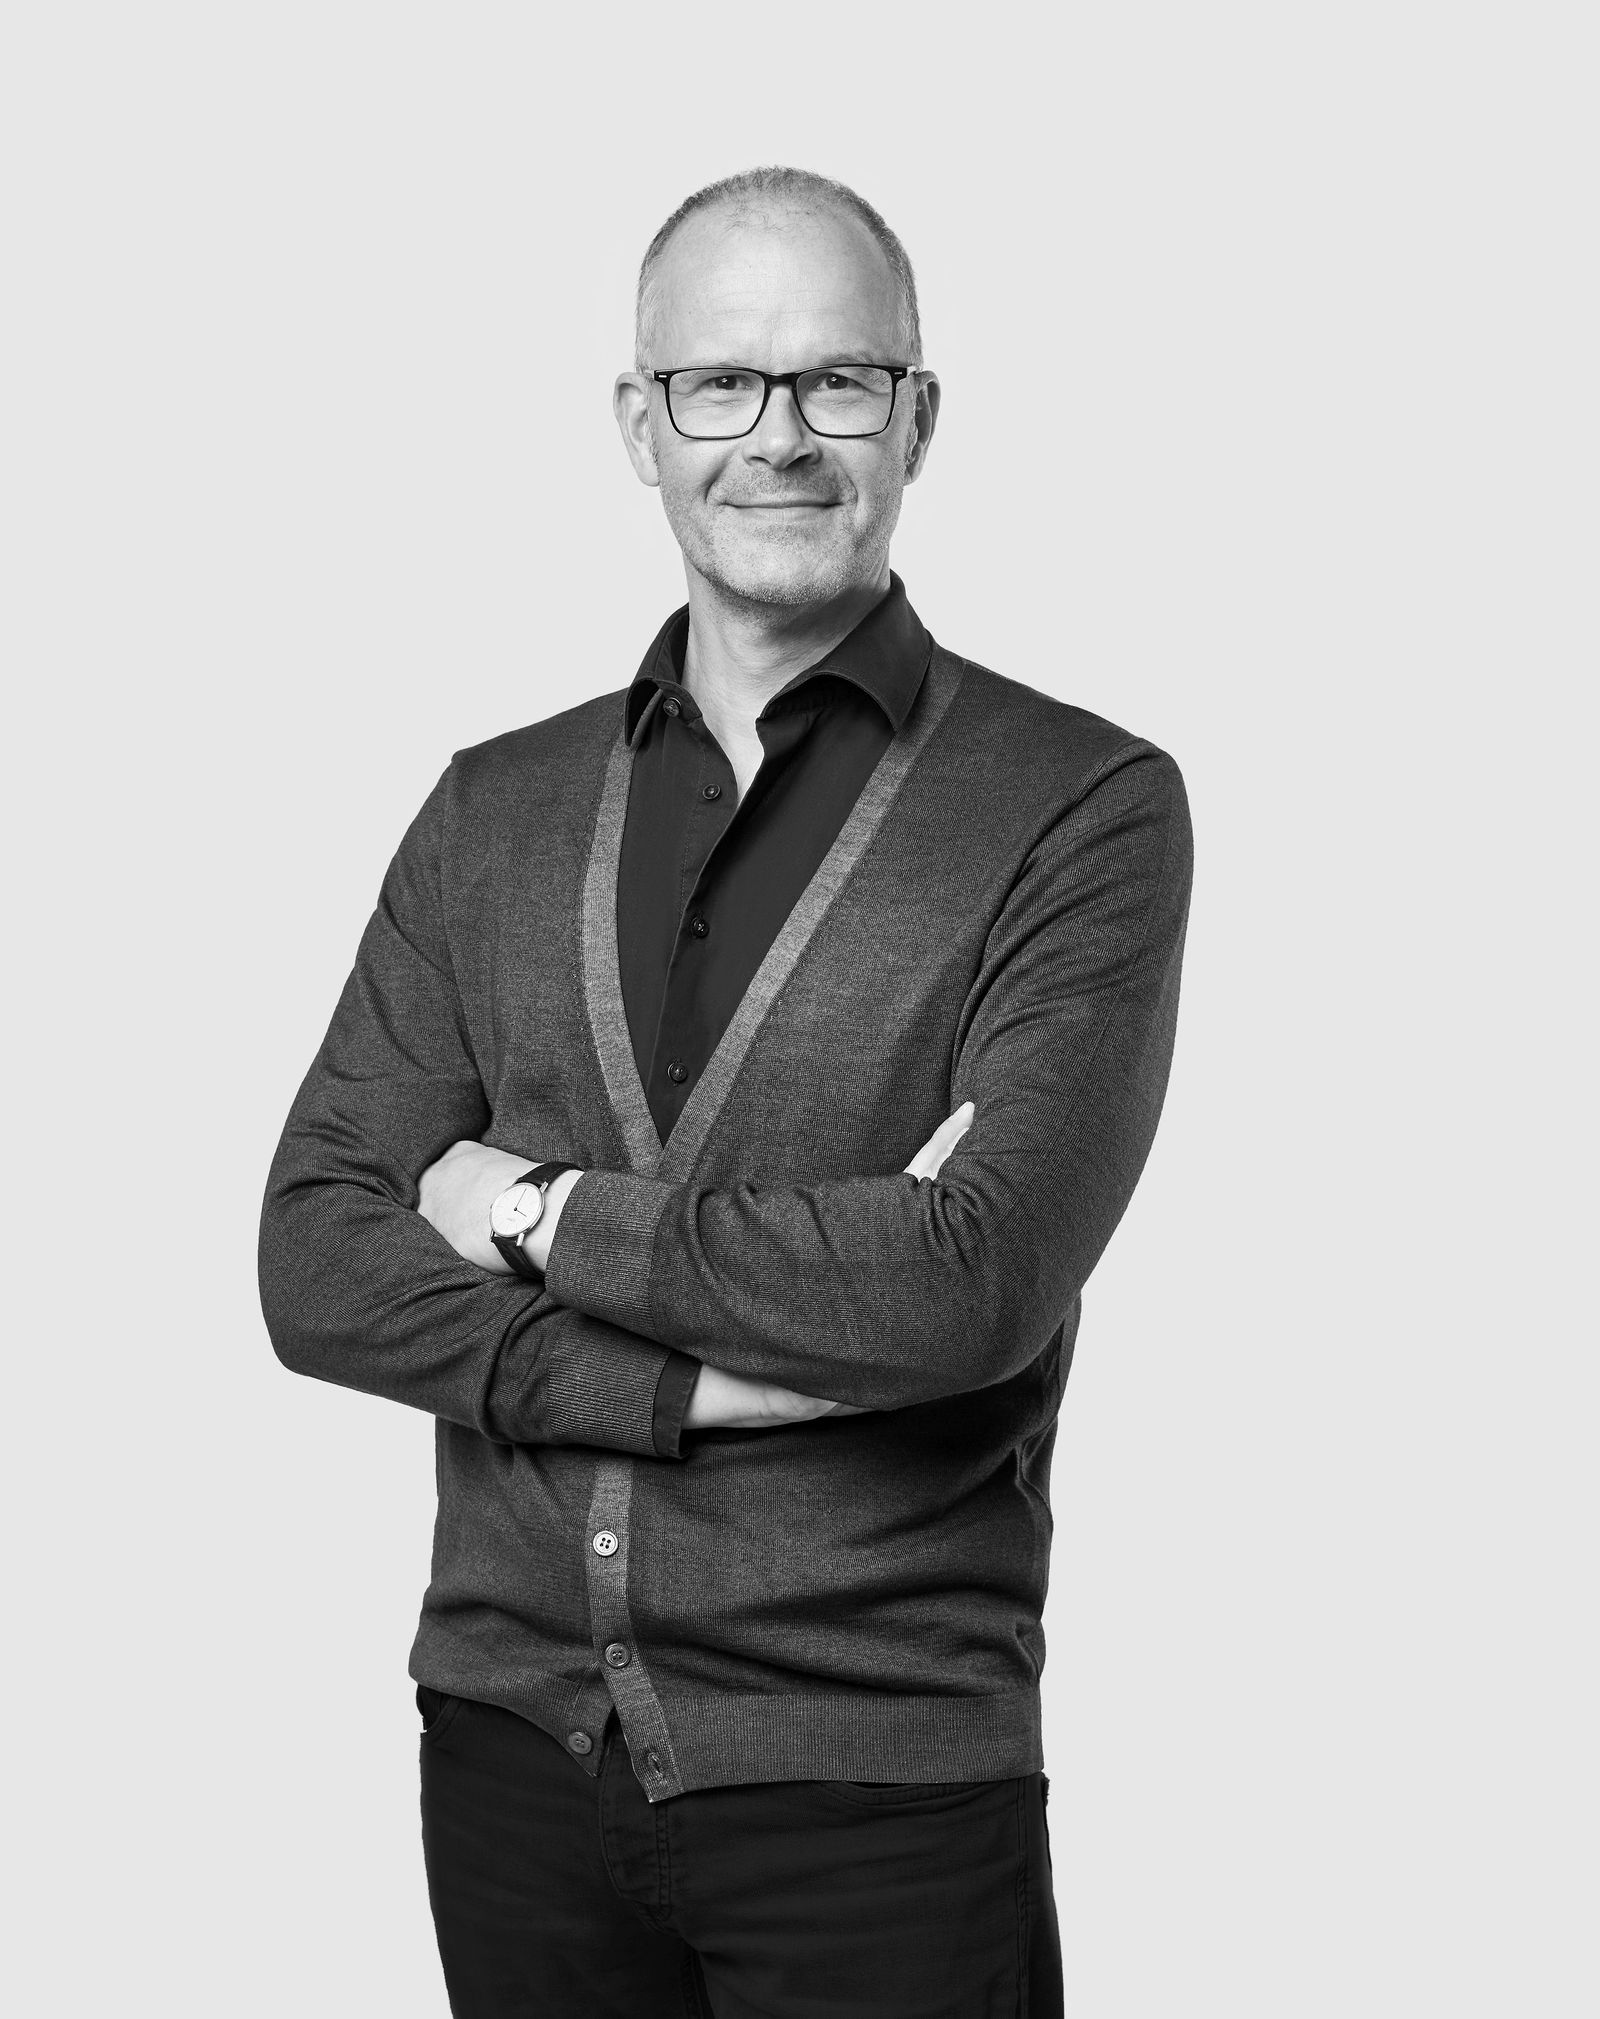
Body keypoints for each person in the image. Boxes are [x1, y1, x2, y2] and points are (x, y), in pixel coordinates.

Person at [259, 164, 1193, 2018]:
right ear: (642, 424)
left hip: (877, 1786)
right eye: (721, 385)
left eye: (840, 380)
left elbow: (965, 1283)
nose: (780, 436)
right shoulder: (493, 810)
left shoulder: (1077, 810)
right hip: (511, 1755)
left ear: (919, 417)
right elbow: (315, 1258)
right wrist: (682, 1386)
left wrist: (526, 1211)